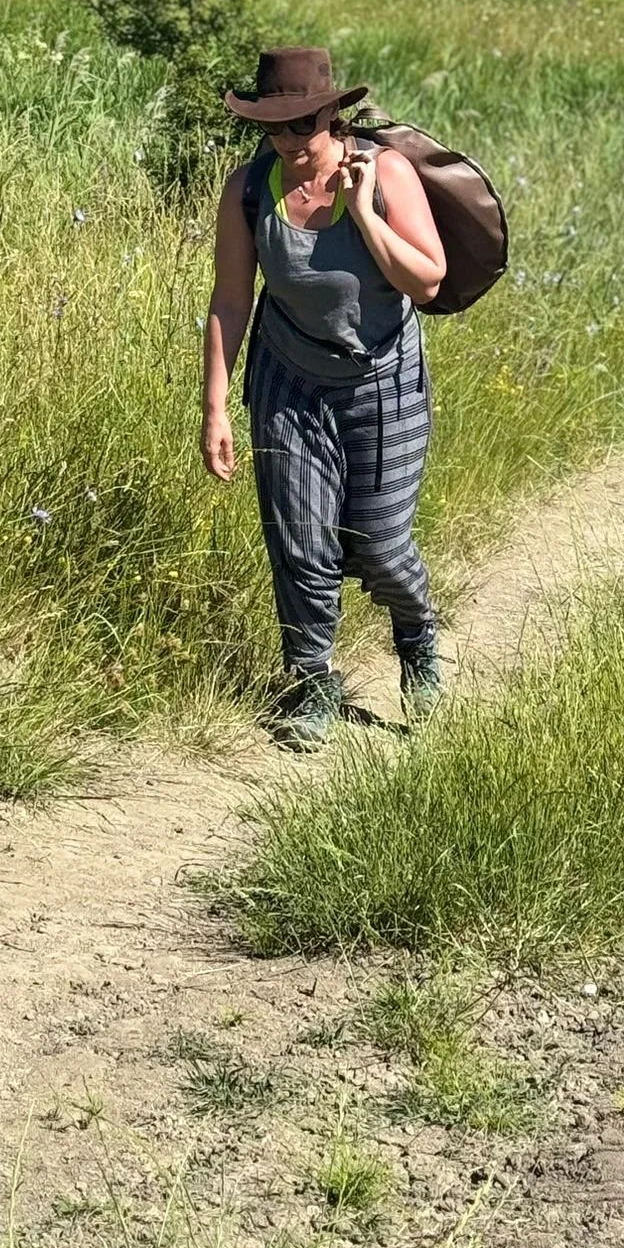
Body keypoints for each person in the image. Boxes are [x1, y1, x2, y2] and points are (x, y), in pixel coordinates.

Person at [200, 46, 447, 748]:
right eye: (274, 129)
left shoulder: (387, 172)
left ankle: (418, 638)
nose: (289, 143)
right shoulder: (249, 190)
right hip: (289, 381)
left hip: (382, 382)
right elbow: (229, 298)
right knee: (300, 542)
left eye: (303, 127)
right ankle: (313, 682)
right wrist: (214, 407)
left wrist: (366, 215)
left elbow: (427, 281)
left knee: (380, 544)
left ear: (332, 117)